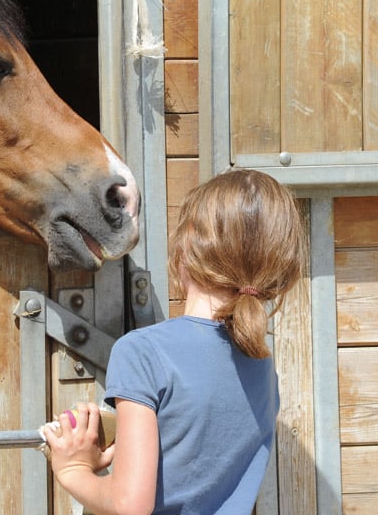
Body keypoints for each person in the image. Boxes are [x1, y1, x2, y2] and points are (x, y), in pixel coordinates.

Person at [42, 168, 308, 514]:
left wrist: (73, 469)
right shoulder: (262, 367)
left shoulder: (143, 352)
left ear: (187, 245)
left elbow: (130, 505)